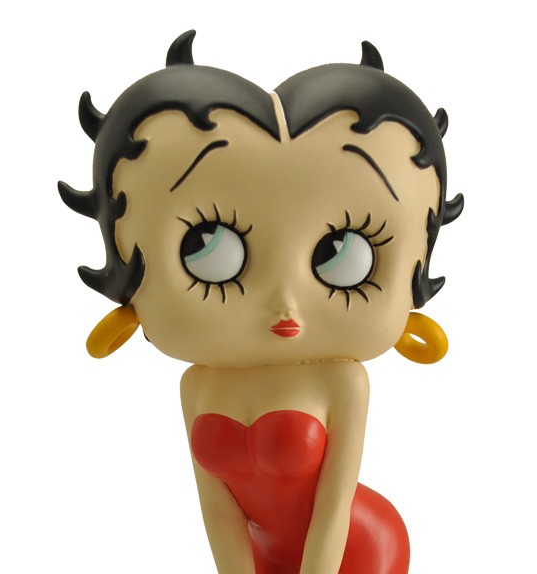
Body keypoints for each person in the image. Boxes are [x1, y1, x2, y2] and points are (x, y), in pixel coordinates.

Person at [59, 30, 463, 574]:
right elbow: (217, 507)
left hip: (363, 548)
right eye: (208, 249)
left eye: (345, 253)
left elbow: (333, 507)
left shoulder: (343, 381)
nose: (285, 301)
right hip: (263, 555)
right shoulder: (198, 383)